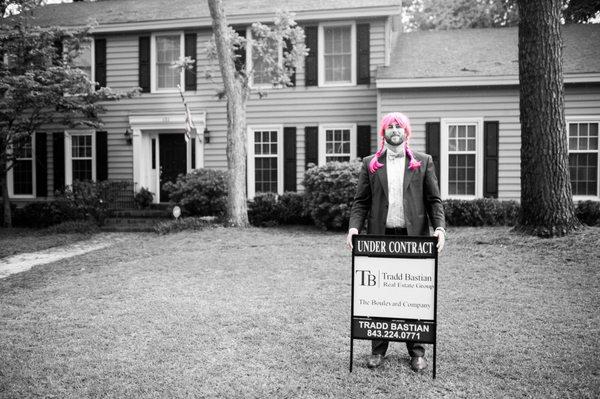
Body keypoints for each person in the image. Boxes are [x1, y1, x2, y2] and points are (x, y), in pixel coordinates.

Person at [346, 112, 446, 371]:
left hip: (414, 238)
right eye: (389, 126)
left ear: (406, 132)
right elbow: (361, 201)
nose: (394, 129)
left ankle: (417, 352)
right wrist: (354, 228)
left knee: (415, 295)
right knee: (379, 294)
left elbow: (434, 200)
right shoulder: (370, 163)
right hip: (381, 237)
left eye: (398, 126)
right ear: (384, 132)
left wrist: (440, 229)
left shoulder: (423, 162)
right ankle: (378, 351)